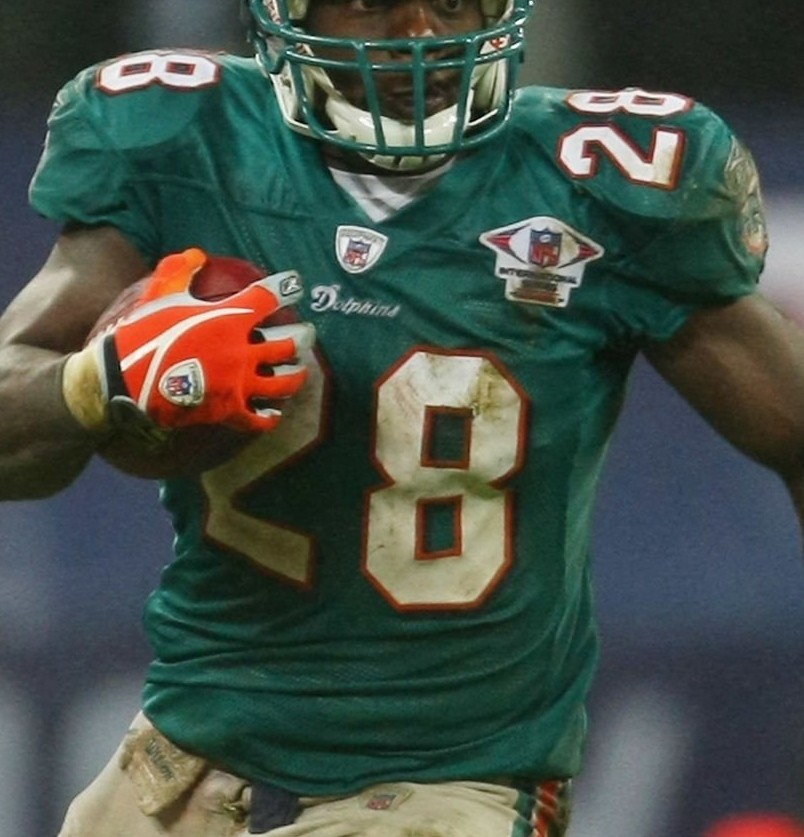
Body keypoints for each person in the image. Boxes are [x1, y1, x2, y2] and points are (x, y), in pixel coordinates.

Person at [0, 0, 802, 834]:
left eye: (451, 3)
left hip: (447, 782)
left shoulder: (600, 177)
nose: (420, 35)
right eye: (372, 3)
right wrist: (102, 380)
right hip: (186, 754)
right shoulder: (185, 139)